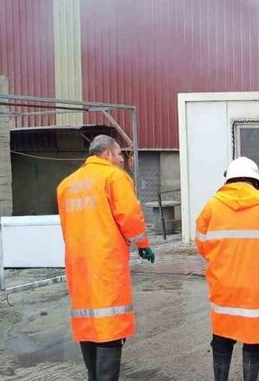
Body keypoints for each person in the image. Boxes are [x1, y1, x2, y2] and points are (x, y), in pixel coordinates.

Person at [57, 135, 154, 381]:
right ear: (108, 154)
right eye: (119, 153)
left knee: (88, 324)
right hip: (106, 262)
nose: (122, 158)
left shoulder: (66, 185)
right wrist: (143, 244)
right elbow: (130, 216)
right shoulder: (114, 177)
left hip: (78, 265)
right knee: (110, 324)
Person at [195, 157, 259, 381]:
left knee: (222, 335)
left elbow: (201, 243)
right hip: (257, 289)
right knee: (254, 337)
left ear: (228, 179)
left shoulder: (212, 206)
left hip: (223, 285)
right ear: (256, 181)